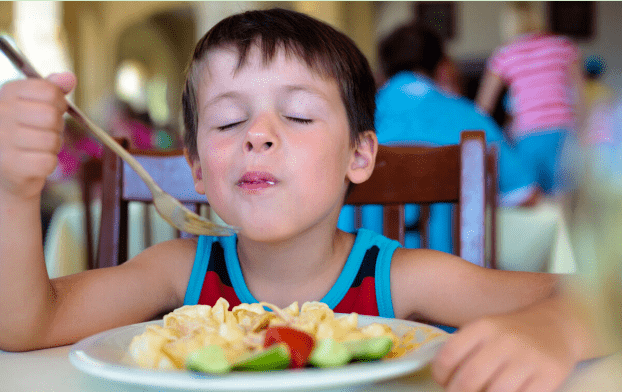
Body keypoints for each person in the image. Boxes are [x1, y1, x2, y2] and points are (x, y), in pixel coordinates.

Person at [0, 8, 608, 392]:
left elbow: (605, 298)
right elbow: (30, 324)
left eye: (296, 114)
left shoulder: (406, 279)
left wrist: (559, 327)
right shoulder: (178, 271)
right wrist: (13, 192)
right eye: (227, 121)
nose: (258, 134)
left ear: (359, 156)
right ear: (197, 173)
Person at [350, 22, 538, 252]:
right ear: (442, 67)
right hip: (454, 279)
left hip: (363, 279)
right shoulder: (471, 118)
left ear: (382, 71)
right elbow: (525, 194)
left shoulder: (352, 121)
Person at [475, 2, 584, 197]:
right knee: (568, 204)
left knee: (534, 204)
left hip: (528, 136)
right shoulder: (563, 46)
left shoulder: (505, 55)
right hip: (563, 135)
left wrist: (498, 141)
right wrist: (584, 135)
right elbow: (581, 96)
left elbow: (482, 109)